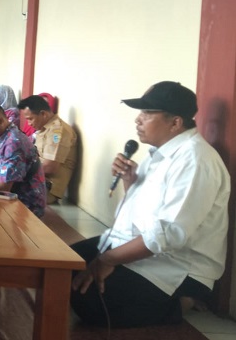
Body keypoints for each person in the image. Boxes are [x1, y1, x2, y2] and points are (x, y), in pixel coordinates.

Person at [70, 81, 230, 329]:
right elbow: (143, 212)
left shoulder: (195, 159)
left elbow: (169, 234)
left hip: (176, 265)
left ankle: (183, 301)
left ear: (175, 123)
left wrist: (107, 260)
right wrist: (129, 181)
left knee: (90, 303)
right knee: (64, 265)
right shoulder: (159, 153)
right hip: (141, 245)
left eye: (147, 113)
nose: (138, 120)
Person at [0, 100, 47, 217]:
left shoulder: (13, 143)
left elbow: (4, 186)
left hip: (26, 206)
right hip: (11, 195)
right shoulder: (3, 137)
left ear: (0, 121)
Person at [18, 95, 78, 203]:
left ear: (43, 114)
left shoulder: (57, 131)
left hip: (45, 187)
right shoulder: (44, 129)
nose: (29, 124)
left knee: (3, 186)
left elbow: (49, 167)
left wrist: (18, 171)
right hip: (36, 180)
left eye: (30, 119)